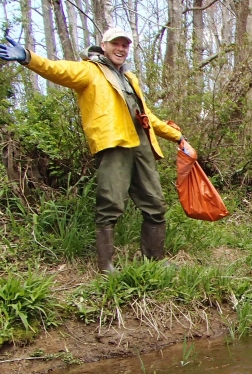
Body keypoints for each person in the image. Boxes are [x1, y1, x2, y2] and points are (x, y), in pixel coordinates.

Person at [0, 29, 184, 273]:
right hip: (113, 143)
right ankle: (106, 267)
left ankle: (155, 261)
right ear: (104, 45)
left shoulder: (130, 79)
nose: (121, 49)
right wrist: (27, 57)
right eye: (116, 44)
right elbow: (57, 70)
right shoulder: (90, 71)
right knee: (110, 204)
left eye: (125, 45)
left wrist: (177, 136)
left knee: (155, 203)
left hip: (141, 146)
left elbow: (146, 115)